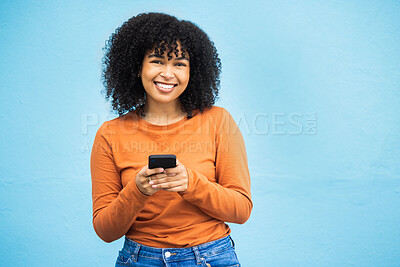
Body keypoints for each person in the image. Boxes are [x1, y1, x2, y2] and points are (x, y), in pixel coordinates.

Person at [90, 12, 252, 266]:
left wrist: (191, 184)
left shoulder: (218, 121)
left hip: (211, 257)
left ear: (193, 71)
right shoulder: (109, 134)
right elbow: (105, 230)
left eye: (179, 64)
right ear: (137, 66)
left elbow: (241, 210)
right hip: (140, 259)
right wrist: (137, 190)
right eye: (156, 61)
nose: (168, 73)